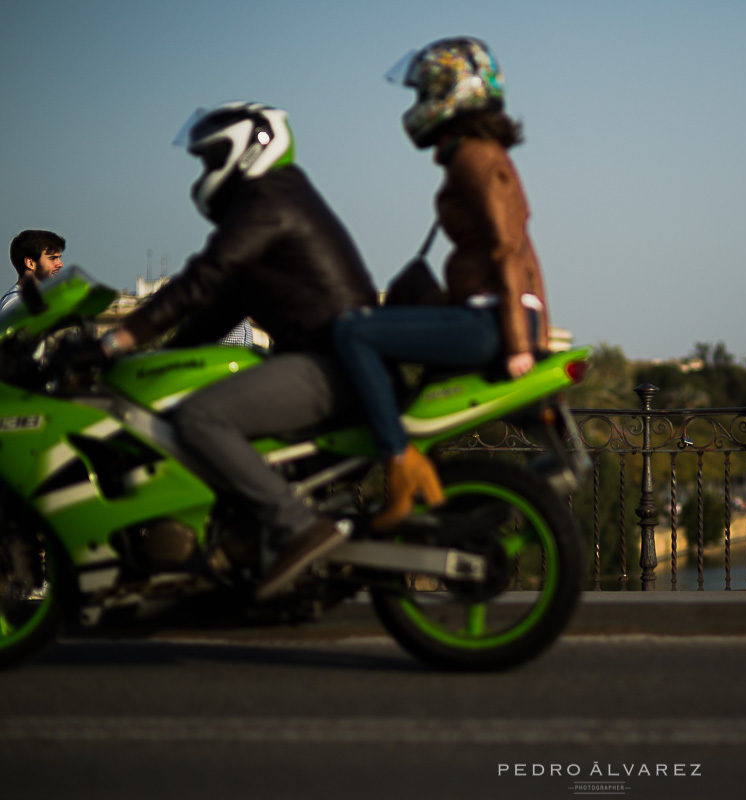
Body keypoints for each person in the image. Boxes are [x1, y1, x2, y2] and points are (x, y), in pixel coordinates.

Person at [100, 101, 378, 600]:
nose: (206, 173)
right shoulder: (275, 205)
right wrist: (148, 363)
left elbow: (205, 277)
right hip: (328, 360)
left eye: (211, 159)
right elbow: (217, 310)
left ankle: (296, 526)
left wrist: (121, 337)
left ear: (251, 149)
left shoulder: (270, 200)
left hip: (329, 363)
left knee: (200, 419)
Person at [334, 36, 549, 530]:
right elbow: (526, 258)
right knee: (392, 306)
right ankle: (402, 430)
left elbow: (508, 248)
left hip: (488, 321)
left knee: (353, 331)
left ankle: (398, 460)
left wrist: (520, 342)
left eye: (426, 93)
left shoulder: (475, 157)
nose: (420, 106)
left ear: (454, 94)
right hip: (491, 313)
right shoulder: (477, 154)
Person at [4, 230, 65, 312]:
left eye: (59, 258)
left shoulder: (42, 299)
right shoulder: (15, 305)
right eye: (52, 258)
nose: (60, 264)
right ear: (30, 263)